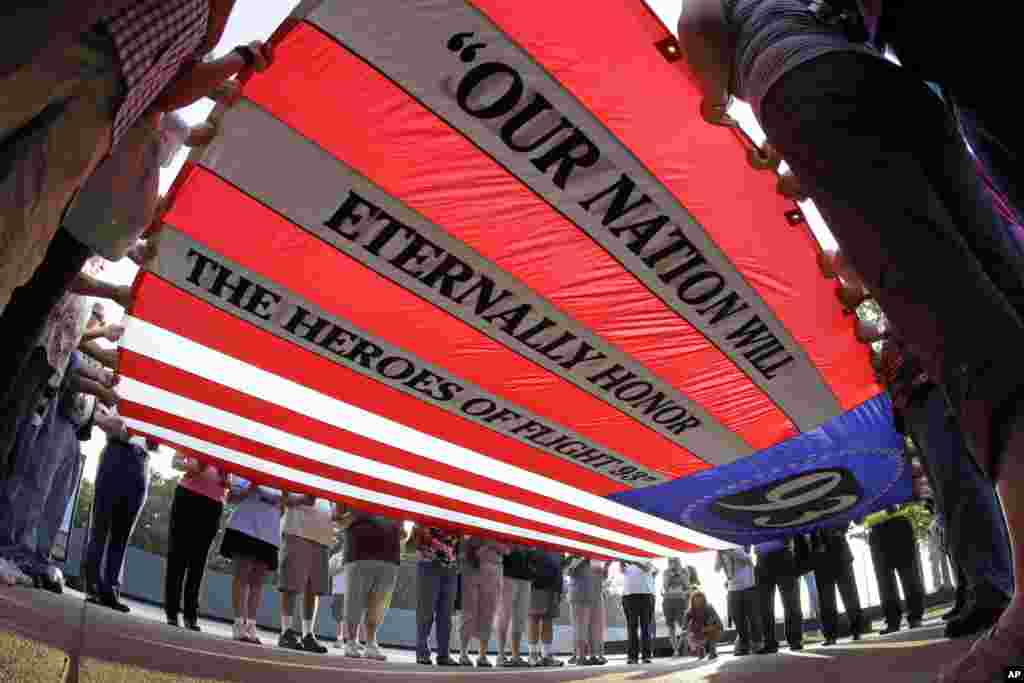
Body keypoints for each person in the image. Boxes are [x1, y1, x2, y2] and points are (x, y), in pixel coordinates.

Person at [676, 4, 1024, 675]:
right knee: (1005, 301)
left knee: (975, 346)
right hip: (901, 85)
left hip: (801, 83)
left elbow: (699, 25)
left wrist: (718, 102)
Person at [82, 415, 156, 613]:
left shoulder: (159, 406)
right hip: (116, 452)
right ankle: (93, 586)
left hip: (141, 462)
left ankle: (110, 589)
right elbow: (101, 417)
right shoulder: (125, 390)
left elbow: (156, 443)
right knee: (100, 526)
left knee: (122, 534)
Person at [163, 452, 228, 631]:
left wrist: (229, 481)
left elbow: (237, 482)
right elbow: (174, 461)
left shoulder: (232, 446)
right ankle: (171, 611)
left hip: (213, 504)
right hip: (187, 497)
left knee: (198, 562)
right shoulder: (198, 434)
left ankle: (191, 615)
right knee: (177, 556)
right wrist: (189, 467)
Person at [219, 476, 281, 645]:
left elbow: (287, 504)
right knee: (242, 576)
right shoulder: (246, 472)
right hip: (244, 528)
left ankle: (251, 625)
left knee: (258, 582)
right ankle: (239, 623)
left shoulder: (284, 477)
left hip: (268, 533)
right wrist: (250, 486)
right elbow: (230, 497)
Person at [342, 510, 405, 660]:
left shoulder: (399, 497)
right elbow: (339, 519)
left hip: (389, 556)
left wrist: (400, 529)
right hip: (359, 553)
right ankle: (351, 641)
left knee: (379, 604)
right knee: (354, 599)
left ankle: (371, 643)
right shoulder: (355, 492)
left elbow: (403, 531)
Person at [277, 494, 334, 654]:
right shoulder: (300, 472)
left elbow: (335, 513)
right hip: (297, 532)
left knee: (313, 589)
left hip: (322, 538)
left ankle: (307, 634)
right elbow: (283, 499)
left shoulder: (330, 482)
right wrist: (303, 499)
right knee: (291, 585)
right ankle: (286, 632)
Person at [864, 506, 925, 634]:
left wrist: (898, 505)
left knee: (909, 575)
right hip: (876, 529)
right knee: (885, 581)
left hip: (899, 523)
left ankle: (915, 617)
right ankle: (892, 621)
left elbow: (906, 493)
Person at [808, 525, 865, 645]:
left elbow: (845, 514)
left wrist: (839, 529)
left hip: (839, 552)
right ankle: (830, 636)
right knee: (826, 600)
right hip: (820, 557)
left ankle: (857, 630)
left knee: (849, 595)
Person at [413, 524, 460, 666]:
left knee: (446, 615)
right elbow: (420, 534)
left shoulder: (456, 516)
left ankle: (444, 655)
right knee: (426, 611)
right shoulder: (426, 512)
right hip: (428, 564)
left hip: (450, 568)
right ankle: (422, 653)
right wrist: (442, 547)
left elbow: (458, 539)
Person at [458, 534, 508, 667]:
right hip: (472, 567)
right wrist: (488, 544)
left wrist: (491, 543)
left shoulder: (501, 526)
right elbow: (465, 543)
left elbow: (507, 550)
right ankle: (463, 653)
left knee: (488, 614)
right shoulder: (473, 522)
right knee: (469, 611)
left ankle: (482, 655)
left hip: (494, 569)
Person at [754, 539, 803, 652]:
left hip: (783, 556)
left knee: (791, 602)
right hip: (762, 559)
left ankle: (795, 640)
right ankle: (769, 643)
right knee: (764, 606)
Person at [715, 546, 761, 655]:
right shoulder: (721, 552)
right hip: (733, 588)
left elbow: (749, 561)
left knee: (753, 616)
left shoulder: (739, 548)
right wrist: (719, 556)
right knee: (738, 619)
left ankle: (757, 644)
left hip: (748, 586)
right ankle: (744, 645)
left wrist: (734, 554)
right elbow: (716, 569)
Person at [495, 544, 533, 667]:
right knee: (504, 615)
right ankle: (501, 655)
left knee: (520, 618)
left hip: (526, 576)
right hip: (507, 574)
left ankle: (516, 655)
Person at [527, 548, 565, 667]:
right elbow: (530, 562)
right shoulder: (536, 541)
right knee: (534, 619)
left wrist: (559, 589)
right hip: (537, 586)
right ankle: (533, 655)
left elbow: (560, 567)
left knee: (548, 621)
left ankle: (546, 655)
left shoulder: (559, 547)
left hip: (553, 588)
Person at [567, 556, 608, 666]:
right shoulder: (575, 552)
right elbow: (569, 571)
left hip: (595, 594)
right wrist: (584, 557)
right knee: (580, 626)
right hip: (580, 594)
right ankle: (580, 656)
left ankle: (593, 655)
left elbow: (603, 576)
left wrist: (607, 565)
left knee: (595, 627)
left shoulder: (597, 554)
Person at [621, 560, 658, 664]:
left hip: (646, 595)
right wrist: (622, 561)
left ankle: (646, 655)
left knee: (645, 626)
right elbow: (622, 571)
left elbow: (647, 569)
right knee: (632, 627)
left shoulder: (648, 560)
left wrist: (633, 561)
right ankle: (632, 656)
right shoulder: (626, 561)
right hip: (629, 595)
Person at [663, 557, 693, 657]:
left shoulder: (684, 571)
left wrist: (679, 574)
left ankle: (692, 647)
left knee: (684, 626)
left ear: (679, 561)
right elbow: (665, 586)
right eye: (670, 562)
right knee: (670, 627)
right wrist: (671, 575)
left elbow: (688, 587)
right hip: (668, 601)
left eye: (675, 561)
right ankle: (675, 650)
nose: (673, 563)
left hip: (681, 601)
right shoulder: (666, 572)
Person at [685, 591, 723, 661]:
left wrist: (709, 628)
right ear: (692, 601)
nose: (698, 602)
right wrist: (692, 631)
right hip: (696, 633)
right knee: (690, 633)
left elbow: (719, 624)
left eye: (700, 600)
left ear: (704, 600)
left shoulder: (709, 608)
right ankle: (700, 649)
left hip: (710, 630)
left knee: (713, 628)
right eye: (696, 600)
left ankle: (712, 651)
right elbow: (685, 627)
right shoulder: (689, 612)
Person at [927, 517, 954, 592]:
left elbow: (940, 534)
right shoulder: (936, 522)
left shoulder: (934, 523)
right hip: (936, 546)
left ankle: (944, 585)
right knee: (940, 566)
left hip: (937, 546)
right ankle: (942, 585)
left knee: (941, 566)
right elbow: (939, 534)